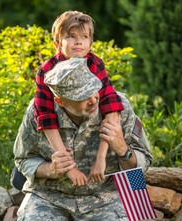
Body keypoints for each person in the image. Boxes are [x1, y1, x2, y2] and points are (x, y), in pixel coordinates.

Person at [11, 57, 152, 221]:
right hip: (51, 194)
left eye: (94, 90)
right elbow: (22, 159)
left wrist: (123, 149)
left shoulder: (118, 107)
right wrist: (49, 170)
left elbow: (145, 160)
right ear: (60, 101)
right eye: (83, 96)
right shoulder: (38, 111)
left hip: (103, 195)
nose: (94, 99)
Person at [34, 10, 124, 186]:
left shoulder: (96, 64)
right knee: (20, 177)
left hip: (105, 181)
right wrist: (69, 167)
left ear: (90, 42)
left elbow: (111, 107)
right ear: (57, 43)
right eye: (71, 36)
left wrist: (100, 159)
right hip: (62, 150)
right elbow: (46, 118)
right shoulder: (46, 72)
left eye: (84, 36)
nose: (78, 42)